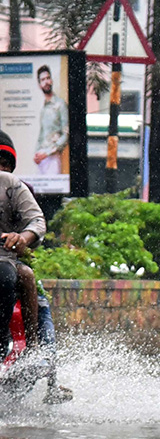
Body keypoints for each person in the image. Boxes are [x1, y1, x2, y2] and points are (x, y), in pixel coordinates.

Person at [0, 131, 71, 401]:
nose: (1, 169)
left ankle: (42, 361)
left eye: (4, 164)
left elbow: (36, 224)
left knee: (30, 282)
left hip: (11, 261)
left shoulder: (19, 189)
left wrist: (21, 239)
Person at [33, 65, 68, 176]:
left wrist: (48, 153)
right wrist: (37, 153)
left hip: (53, 157)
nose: (46, 82)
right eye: (43, 80)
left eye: (48, 78)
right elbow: (42, 133)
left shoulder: (60, 104)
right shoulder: (43, 107)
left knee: (53, 191)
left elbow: (66, 134)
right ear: (39, 85)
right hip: (41, 158)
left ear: (51, 80)